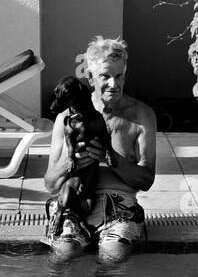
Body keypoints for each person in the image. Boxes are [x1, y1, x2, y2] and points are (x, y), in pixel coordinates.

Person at [43, 36, 156, 263]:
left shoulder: (141, 116)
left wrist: (112, 158)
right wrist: (71, 161)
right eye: (105, 76)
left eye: (119, 76)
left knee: (114, 256)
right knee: (64, 255)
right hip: (73, 203)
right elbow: (51, 184)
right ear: (90, 76)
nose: (114, 84)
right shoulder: (66, 119)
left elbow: (146, 180)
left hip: (119, 205)